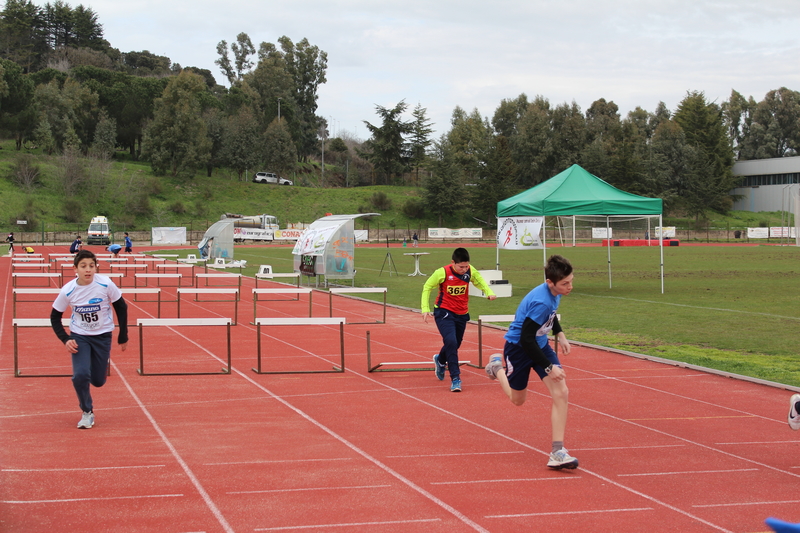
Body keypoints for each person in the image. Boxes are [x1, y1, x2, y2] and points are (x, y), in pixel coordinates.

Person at [484, 254, 579, 470]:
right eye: (565, 283)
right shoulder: (541, 300)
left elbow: (551, 316)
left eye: (571, 281)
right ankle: (497, 367)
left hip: (540, 344)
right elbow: (526, 339)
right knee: (518, 400)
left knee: (561, 392)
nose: (570, 286)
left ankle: (557, 452)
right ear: (550, 282)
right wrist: (548, 366)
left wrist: (560, 334)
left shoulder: (555, 291)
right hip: (518, 349)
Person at [50, 250, 128, 429]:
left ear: (96, 267)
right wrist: (65, 339)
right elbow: (55, 317)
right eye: (83, 266)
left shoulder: (105, 284)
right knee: (80, 375)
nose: (88, 270)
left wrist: (123, 335)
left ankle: (96, 368)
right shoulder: (68, 291)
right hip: (80, 336)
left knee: (98, 381)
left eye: (91, 266)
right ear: (75, 269)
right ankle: (87, 412)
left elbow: (121, 306)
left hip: (102, 336)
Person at [421, 247, 496, 392]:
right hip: (443, 311)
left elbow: (479, 281)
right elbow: (427, 287)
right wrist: (425, 308)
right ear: (453, 263)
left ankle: (441, 360)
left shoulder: (470, 270)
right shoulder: (442, 272)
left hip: (461, 313)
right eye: (461, 267)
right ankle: (456, 378)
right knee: (450, 341)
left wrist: (489, 292)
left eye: (466, 266)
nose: (464, 269)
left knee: (456, 343)